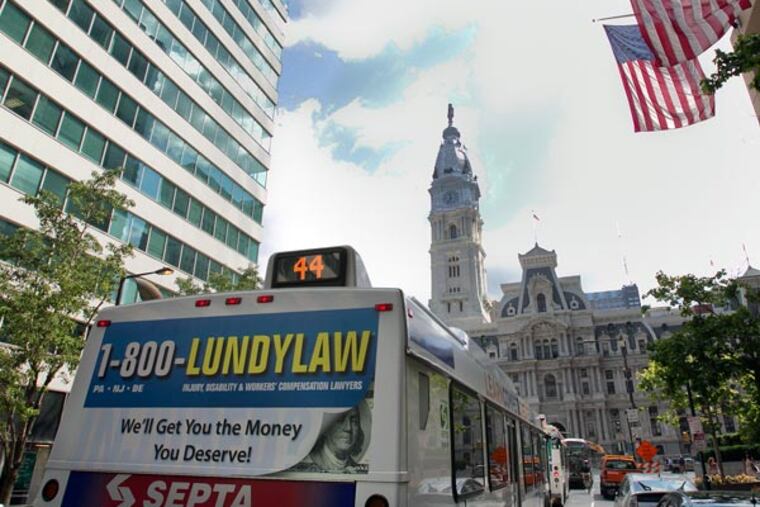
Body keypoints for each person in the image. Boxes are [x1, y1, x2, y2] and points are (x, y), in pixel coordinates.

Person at [302, 405, 367, 473]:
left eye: (354, 421)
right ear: (325, 427)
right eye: (339, 420)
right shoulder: (311, 460)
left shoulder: (355, 467)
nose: (348, 428)